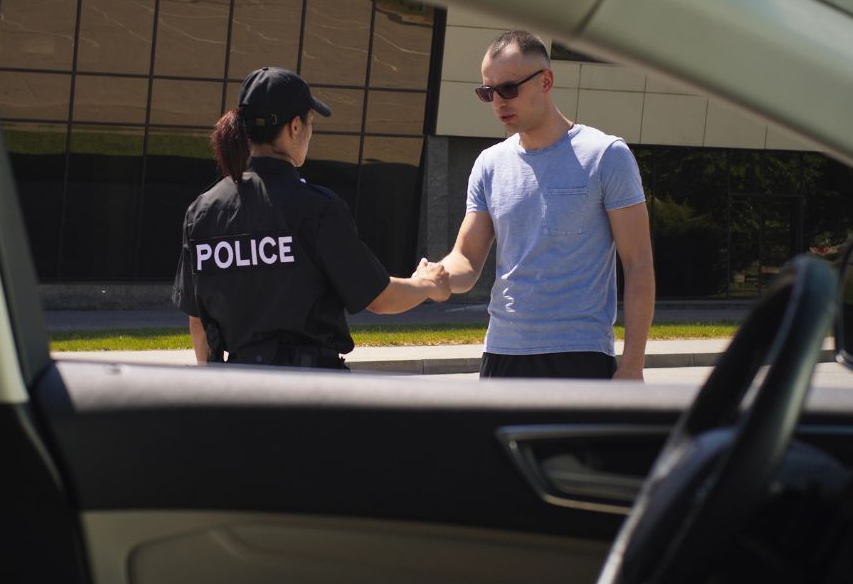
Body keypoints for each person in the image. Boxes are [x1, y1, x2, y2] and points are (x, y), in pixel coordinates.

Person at [173, 66, 449, 369]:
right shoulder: (317, 210)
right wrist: (427, 284)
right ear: (294, 127)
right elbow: (380, 298)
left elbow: (198, 321)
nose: (310, 132)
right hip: (308, 395)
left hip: (237, 393)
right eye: (310, 122)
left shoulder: (202, 211)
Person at [435, 30, 655, 380]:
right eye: (487, 92)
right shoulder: (489, 164)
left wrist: (632, 365)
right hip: (502, 354)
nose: (498, 102)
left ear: (546, 81)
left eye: (508, 88)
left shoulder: (606, 155)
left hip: (579, 354)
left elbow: (639, 263)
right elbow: (467, 259)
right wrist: (440, 277)